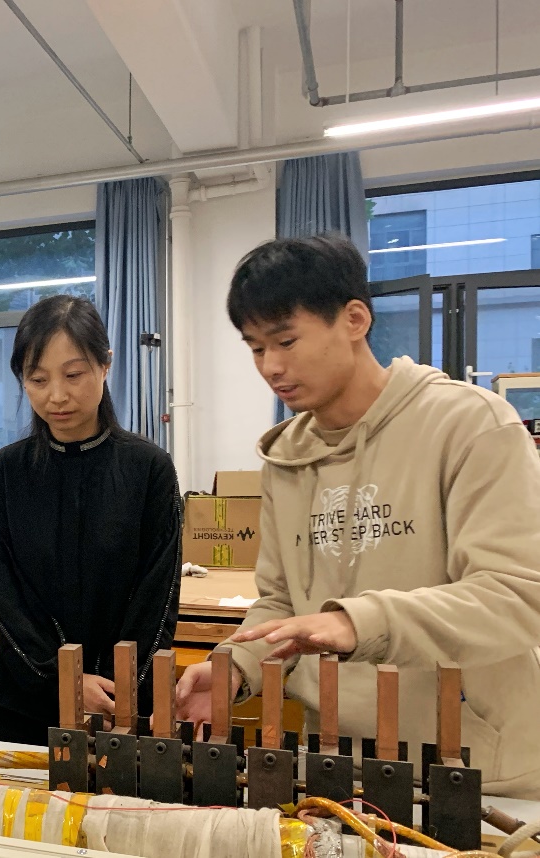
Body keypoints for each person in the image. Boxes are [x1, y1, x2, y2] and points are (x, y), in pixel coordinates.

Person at [174, 234, 540, 799]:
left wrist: (359, 623)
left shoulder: (468, 425)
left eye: (286, 341)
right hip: (335, 762)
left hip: (473, 767)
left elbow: (517, 594)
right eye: (255, 348)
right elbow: (281, 601)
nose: (271, 366)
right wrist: (236, 665)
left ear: (354, 319)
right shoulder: (287, 458)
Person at [0, 295, 182, 745]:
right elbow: (0, 593)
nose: (56, 395)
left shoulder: (148, 468)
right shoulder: (7, 471)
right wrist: (61, 680)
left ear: (105, 365)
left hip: (122, 703)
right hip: (28, 700)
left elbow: (157, 596)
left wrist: (114, 687)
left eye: (73, 375)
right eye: (37, 379)